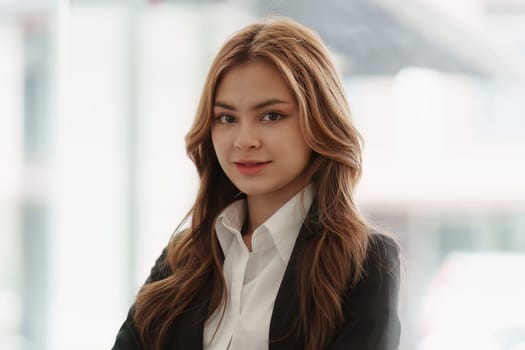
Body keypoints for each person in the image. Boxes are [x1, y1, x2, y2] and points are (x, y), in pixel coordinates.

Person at [112, 17, 401, 350]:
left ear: (320, 121)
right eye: (227, 118)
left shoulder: (364, 263)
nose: (244, 139)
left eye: (271, 116)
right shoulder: (182, 259)